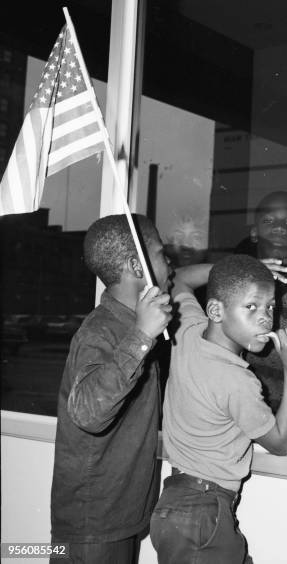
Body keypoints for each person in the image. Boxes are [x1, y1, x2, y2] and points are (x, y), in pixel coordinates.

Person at [150, 254, 287, 564]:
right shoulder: (237, 381)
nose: (266, 319)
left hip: (179, 506)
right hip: (203, 514)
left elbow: (179, 278)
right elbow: (279, 443)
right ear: (215, 310)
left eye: (269, 308)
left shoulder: (189, 331)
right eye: (251, 307)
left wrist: (233, 272)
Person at [50, 214, 173, 564]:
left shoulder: (129, 321)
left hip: (115, 517)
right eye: (163, 256)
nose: (171, 266)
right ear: (138, 265)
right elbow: (89, 412)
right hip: (93, 527)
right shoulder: (101, 331)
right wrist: (142, 336)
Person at [235, 191, 287, 414]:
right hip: (237, 414)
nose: (280, 227)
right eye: (269, 220)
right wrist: (249, 274)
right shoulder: (233, 287)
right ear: (254, 232)